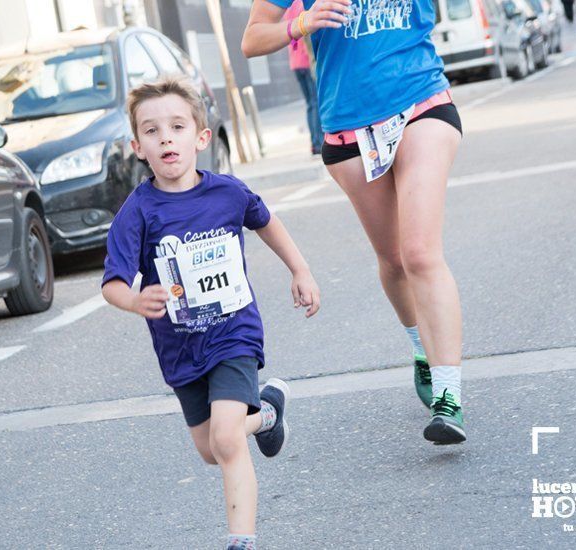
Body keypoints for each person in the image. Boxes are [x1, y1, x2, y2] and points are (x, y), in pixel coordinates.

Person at [101, 76, 320, 550]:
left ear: (200, 138)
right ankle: (268, 412)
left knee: (225, 438)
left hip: (232, 332)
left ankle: (241, 541)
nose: (166, 138)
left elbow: (266, 222)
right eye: (152, 131)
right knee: (210, 450)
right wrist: (136, 300)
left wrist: (300, 269)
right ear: (138, 147)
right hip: (180, 347)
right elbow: (113, 283)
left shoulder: (226, 193)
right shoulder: (136, 213)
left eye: (176, 127)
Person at [242, 0, 467, 445]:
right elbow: (252, 39)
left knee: (419, 252)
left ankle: (448, 395)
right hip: (348, 130)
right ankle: (422, 351)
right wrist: (301, 23)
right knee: (393, 260)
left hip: (420, 103)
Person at [285, 0, 323, 155]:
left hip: (295, 64)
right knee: (315, 103)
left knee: (310, 104)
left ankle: (314, 143)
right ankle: (318, 143)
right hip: (307, 63)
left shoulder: (288, 8)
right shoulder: (304, 6)